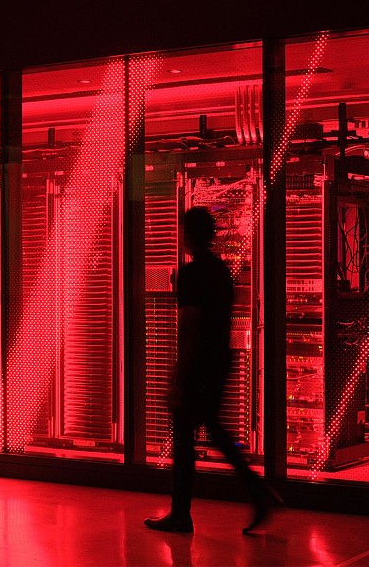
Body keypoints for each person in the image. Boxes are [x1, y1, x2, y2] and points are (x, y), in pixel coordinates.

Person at [144, 207, 279, 535]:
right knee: (216, 432)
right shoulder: (221, 271)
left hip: (198, 366)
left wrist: (179, 378)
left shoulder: (192, 274)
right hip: (220, 361)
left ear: (188, 235)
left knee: (184, 442)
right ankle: (259, 495)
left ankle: (181, 514)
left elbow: (190, 327)